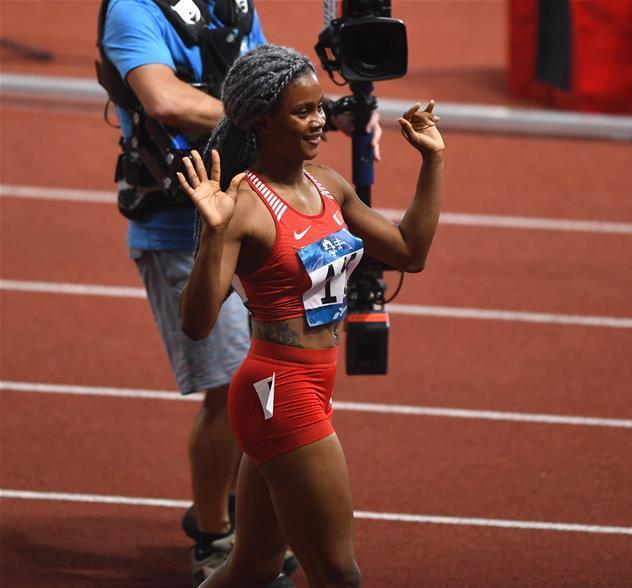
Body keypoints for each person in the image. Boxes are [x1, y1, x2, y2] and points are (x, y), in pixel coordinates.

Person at [98, 1, 381, 585]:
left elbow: (270, 76)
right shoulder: (133, 9)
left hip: (259, 220)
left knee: (256, 385)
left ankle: (252, 537)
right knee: (229, 382)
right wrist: (285, 114)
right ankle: (212, 533)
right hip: (180, 226)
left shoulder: (233, 4)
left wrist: (322, 115)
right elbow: (163, 99)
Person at [175, 43, 444, 587]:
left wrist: (432, 161)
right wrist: (215, 234)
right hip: (279, 390)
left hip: (312, 384)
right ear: (262, 121)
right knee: (338, 573)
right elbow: (197, 324)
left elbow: (409, 252)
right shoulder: (244, 204)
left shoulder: (327, 184)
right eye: (303, 111)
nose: (320, 119)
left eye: (319, 106)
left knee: (253, 566)